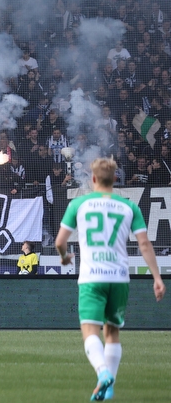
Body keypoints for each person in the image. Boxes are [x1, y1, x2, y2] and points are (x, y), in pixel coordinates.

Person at [55, 157, 165, 401]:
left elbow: (60, 242)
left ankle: (102, 372)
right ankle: (110, 386)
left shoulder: (79, 204)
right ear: (115, 179)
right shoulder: (129, 207)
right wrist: (157, 277)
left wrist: (64, 258)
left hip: (92, 277)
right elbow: (144, 244)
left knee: (89, 329)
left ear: (93, 179)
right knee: (112, 332)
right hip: (119, 277)